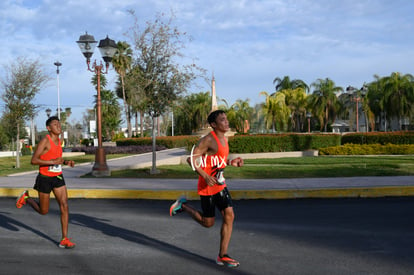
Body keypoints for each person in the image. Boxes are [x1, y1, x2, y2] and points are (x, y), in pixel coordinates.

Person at [169, 110, 244, 268]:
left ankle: (222, 256)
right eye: (222, 120)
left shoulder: (224, 138)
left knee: (229, 215)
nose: (226, 122)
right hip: (207, 186)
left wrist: (231, 163)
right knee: (208, 223)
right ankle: (182, 206)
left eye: (226, 119)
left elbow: (217, 160)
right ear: (214, 125)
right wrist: (204, 175)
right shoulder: (208, 140)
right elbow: (191, 159)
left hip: (220, 184)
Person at [16, 116, 76, 249]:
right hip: (44, 179)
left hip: (58, 177)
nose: (58, 126)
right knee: (43, 211)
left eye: (59, 124)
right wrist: (52, 162)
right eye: (55, 124)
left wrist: (66, 162)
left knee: (64, 205)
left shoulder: (59, 141)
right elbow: (34, 160)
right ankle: (27, 198)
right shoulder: (45, 141)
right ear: (49, 128)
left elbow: (57, 158)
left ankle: (64, 239)